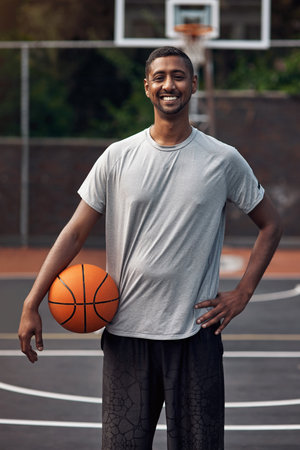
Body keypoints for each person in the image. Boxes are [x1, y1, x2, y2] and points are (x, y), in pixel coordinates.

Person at [18, 46, 282, 449]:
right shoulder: (117, 157)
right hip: (127, 334)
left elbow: (271, 224)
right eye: (159, 77)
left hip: (196, 335)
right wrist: (31, 301)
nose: (168, 84)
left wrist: (243, 293)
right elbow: (73, 233)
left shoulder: (223, 160)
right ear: (147, 88)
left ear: (193, 85)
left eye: (178, 76)